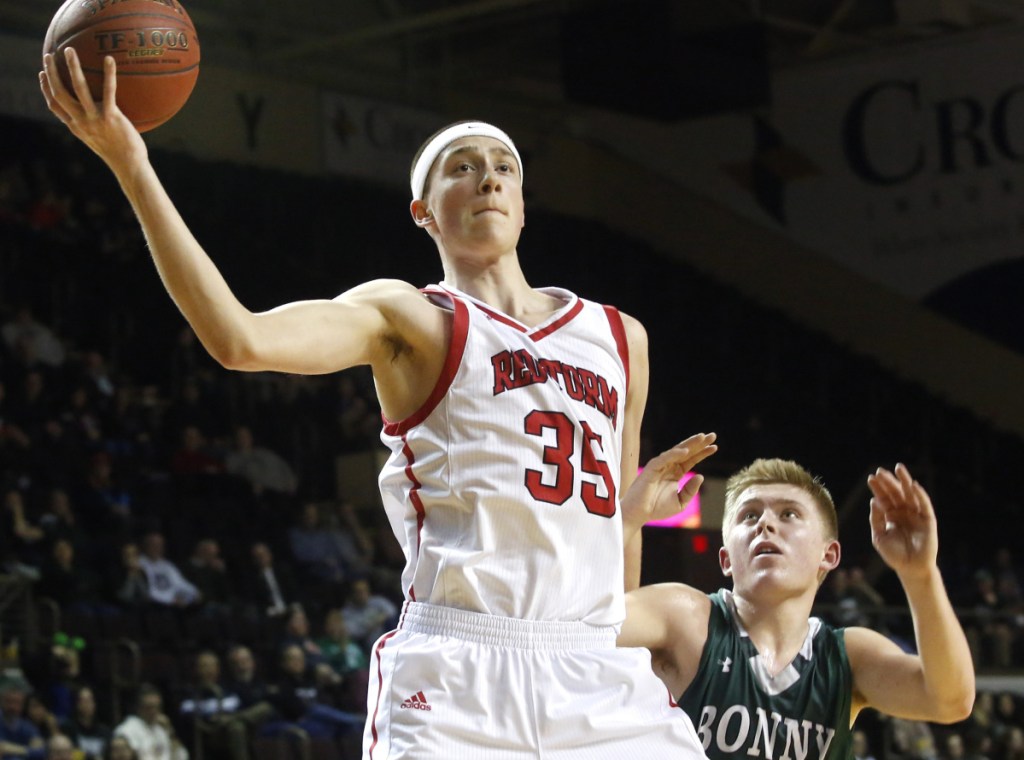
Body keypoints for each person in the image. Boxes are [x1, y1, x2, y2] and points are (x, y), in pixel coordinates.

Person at [39, 53, 709, 758]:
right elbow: (240, 339)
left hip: (591, 666)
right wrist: (132, 165)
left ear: (521, 196)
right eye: (461, 167)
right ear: (424, 213)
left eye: (503, 166)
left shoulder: (618, 336)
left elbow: (614, 527)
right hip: (458, 670)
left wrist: (623, 607)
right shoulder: (408, 316)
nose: (487, 176)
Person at [620, 450, 975, 760]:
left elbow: (950, 701)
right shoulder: (684, 616)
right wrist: (627, 520)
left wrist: (920, 574)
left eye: (789, 514)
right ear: (726, 559)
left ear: (829, 554)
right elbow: (578, 622)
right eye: (749, 516)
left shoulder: (847, 655)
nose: (765, 524)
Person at [112, 684, 188, 760]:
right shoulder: (127, 729)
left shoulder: (161, 729)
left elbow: (182, 756)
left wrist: (170, 731)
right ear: (139, 708)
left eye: (157, 707)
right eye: (149, 707)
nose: (154, 711)